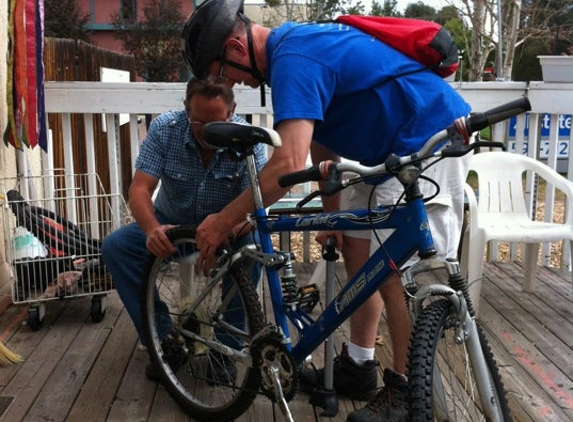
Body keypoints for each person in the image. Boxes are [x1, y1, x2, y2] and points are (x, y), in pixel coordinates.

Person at [181, 1, 471, 420]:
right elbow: (320, 144)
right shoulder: (294, 49)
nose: (233, 85)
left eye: (223, 74)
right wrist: (333, 217)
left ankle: (407, 395)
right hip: (377, 154)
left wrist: (222, 222)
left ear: (236, 47)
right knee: (357, 257)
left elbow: (287, 163)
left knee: (393, 272)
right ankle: (358, 364)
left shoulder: (292, 58)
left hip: (423, 138)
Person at [101, 75, 267, 382]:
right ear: (184, 108)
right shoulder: (165, 129)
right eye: (197, 121)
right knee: (116, 247)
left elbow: (254, 210)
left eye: (214, 123)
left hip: (226, 234)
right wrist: (151, 229)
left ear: (232, 112)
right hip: (170, 224)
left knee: (253, 249)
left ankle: (224, 350)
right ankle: (164, 338)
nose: (205, 132)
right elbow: (139, 189)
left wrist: (224, 235)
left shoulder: (249, 138)